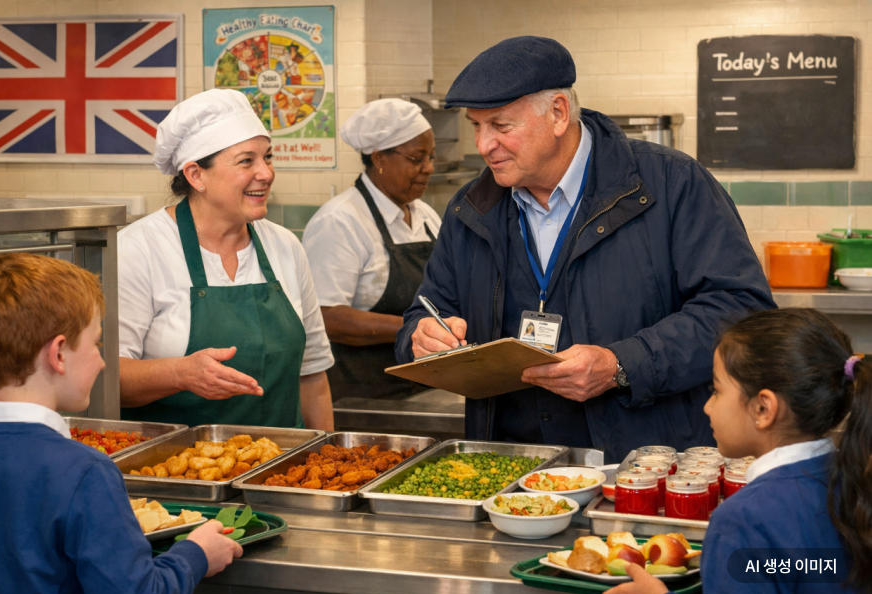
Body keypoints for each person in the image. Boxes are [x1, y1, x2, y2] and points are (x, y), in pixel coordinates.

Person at [395, 36, 775, 462]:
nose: (484, 145)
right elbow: (424, 312)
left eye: (501, 126)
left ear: (558, 113)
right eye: (476, 126)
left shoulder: (672, 183)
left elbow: (742, 311)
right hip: (513, 470)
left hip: (642, 469)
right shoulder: (470, 209)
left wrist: (621, 365)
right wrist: (422, 338)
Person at [0, 253, 243, 594]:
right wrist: (196, 555)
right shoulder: (85, 472)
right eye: (96, 343)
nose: (102, 362)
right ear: (58, 354)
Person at [604, 308, 871, 594]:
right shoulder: (855, 482)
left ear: (763, 409)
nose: (708, 406)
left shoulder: (742, 521)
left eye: (716, 390)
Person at [118, 89, 334, 430]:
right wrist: (179, 373)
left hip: (283, 459)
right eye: (246, 161)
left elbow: (311, 375)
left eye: (267, 157)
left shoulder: (285, 246)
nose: (266, 173)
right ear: (196, 175)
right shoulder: (138, 250)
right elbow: (107, 380)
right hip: (171, 460)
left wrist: (327, 455)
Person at [303, 99, 440, 400]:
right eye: (417, 158)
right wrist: (415, 328)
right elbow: (326, 317)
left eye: (431, 157)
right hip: (364, 395)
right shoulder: (339, 221)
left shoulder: (426, 217)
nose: (428, 168)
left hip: (424, 386)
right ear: (379, 158)